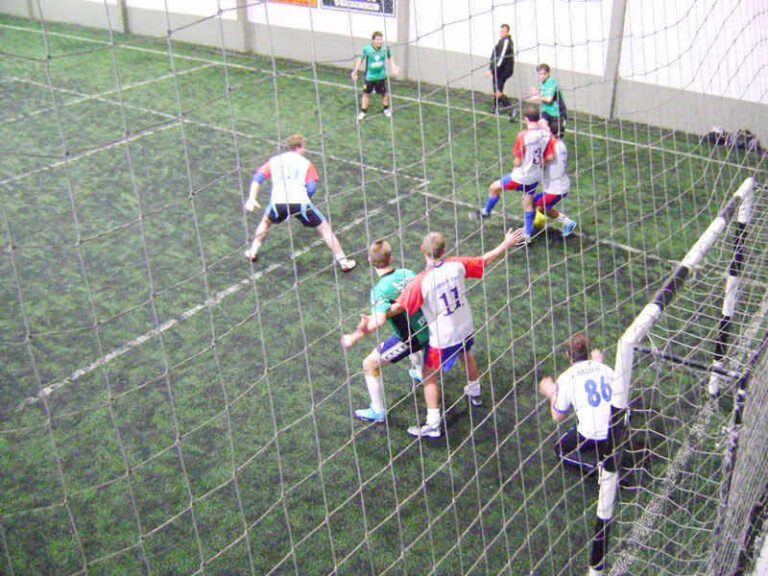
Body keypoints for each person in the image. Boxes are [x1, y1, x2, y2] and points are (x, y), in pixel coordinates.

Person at [384, 228, 526, 438]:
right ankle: (475, 391)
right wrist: (505, 243)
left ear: (422, 249)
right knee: (465, 355)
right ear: (444, 249)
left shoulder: (421, 281)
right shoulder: (456, 264)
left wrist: (375, 316)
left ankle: (433, 424)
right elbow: (484, 260)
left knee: (428, 374)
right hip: (465, 325)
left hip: (443, 338)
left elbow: (397, 309)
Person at [538, 334, 629, 576]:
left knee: (560, 449)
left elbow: (558, 415)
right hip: (618, 429)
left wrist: (550, 392)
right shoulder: (605, 367)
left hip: (593, 433)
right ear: (590, 353)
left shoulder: (566, 378)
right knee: (603, 432)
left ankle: (597, 471)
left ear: (569, 357)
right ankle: (606, 463)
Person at [341, 240, 428, 422]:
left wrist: (355, 334)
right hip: (429, 325)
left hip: (414, 337)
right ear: (391, 257)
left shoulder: (379, 291)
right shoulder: (407, 273)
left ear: (370, 261)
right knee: (406, 333)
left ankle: (378, 411)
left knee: (370, 364)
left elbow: (379, 320)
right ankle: (420, 372)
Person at [243, 134, 356, 272]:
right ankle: (343, 262)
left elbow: (258, 177)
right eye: (303, 147)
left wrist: (252, 198)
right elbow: (311, 187)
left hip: (278, 203)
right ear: (298, 147)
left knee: (266, 222)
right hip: (300, 203)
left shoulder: (274, 161)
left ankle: (252, 251)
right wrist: (303, 197)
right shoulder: (307, 164)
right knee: (324, 228)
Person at [471, 105, 554, 242]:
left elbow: (517, 161)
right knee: (527, 203)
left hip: (521, 176)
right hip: (535, 176)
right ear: (538, 119)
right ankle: (527, 235)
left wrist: (517, 164)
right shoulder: (546, 135)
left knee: (494, 187)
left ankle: (486, 212)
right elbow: (550, 157)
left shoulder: (523, 136)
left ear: (526, 119)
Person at [532, 118, 578, 237]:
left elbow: (547, 158)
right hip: (560, 184)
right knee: (539, 204)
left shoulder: (551, 145)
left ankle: (535, 230)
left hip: (556, 188)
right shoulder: (560, 144)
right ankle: (568, 223)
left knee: (538, 206)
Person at [351, 31, 400, 121]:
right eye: (377, 39)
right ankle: (363, 112)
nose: (379, 41)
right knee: (366, 94)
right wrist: (355, 71)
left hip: (381, 76)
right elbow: (360, 59)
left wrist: (393, 66)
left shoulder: (385, 48)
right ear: (373, 40)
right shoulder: (367, 49)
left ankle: (386, 110)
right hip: (370, 77)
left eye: (381, 39)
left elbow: (390, 57)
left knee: (383, 94)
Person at [527, 63, 565, 138]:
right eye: (540, 74)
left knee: (556, 138)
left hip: (557, 114)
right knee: (542, 128)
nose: (541, 76)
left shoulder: (551, 82)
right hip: (546, 112)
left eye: (544, 74)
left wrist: (537, 97)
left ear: (548, 73)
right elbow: (545, 95)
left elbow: (549, 99)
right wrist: (536, 93)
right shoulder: (543, 83)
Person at [485, 24, 515, 117]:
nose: (501, 33)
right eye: (501, 31)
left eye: (504, 31)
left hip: (503, 71)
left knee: (498, 91)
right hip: (499, 70)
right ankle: (496, 108)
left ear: (508, 32)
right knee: (496, 89)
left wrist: (492, 70)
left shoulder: (506, 42)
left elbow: (501, 59)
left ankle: (511, 109)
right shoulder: (501, 41)